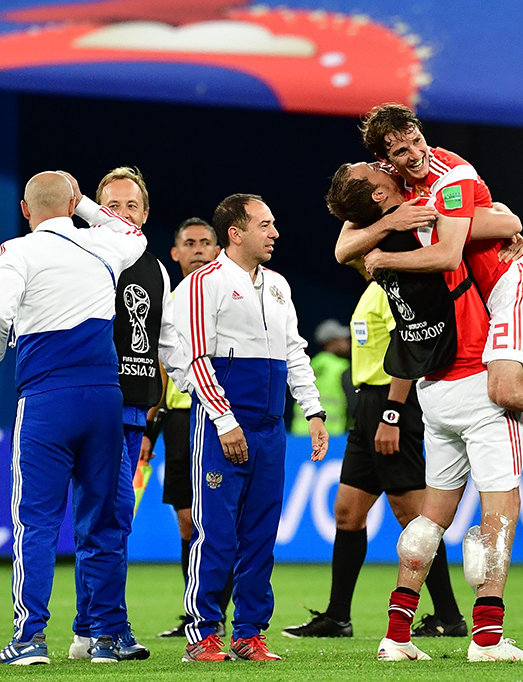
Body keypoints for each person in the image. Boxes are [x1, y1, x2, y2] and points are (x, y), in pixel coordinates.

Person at [334, 104, 523, 461]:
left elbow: (478, 239)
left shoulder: (449, 176)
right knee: (522, 425)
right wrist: (391, 223)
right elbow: (343, 249)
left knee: (505, 392)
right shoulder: (392, 183)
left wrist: (386, 256)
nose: (415, 154)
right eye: (401, 151)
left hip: (506, 283)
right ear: (385, 158)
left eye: (418, 141)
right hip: (477, 302)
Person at [0, 171, 146, 664]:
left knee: (37, 521)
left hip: (48, 399)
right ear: (74, 202)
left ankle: (29, 638)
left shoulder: (18, 250)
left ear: (26, 211)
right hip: (105, 397)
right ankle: (110, 636)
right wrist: (84, 206)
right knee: (104, 518)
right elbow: (133, 234)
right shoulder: (104, 245)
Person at [173, 193, 329, 663]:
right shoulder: (202, 285)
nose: (275, 233)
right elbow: (194, 359)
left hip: (270, 428)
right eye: (265, 224)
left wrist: (314, 411)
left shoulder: (279, 285)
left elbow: (295, 351)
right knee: (217, 533)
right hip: (223, 427)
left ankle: (249, 633)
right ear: (236, 233)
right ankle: (202, 634)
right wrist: (224, 420)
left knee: (261, 534)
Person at [282, 263, 465, 640]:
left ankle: (449, 616)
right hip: (369, 406)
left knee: (415, 517)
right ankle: (337, 617)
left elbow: (410, 350)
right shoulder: (374, 290)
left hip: (391, 404)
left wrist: (393, 413)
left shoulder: (396, 290)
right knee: (347, 512)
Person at [68, 167, 188, 662]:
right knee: (110, 519)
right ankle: (106, 632)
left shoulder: (156, 270)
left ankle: (84, 629)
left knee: (100, 519)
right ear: (95, 211)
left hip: (134, 411)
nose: (121, 215)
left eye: (131, 207)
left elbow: (167, 346)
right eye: (111, 206)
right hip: (87, 405)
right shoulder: (76, 259)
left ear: (145, 214)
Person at [145, 217, 231, 640]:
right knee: (186, 522)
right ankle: (196, 614)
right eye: (189, 243)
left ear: (217, 250)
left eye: (205, 242)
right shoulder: (166, 299)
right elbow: (160, 368)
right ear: (175, 252)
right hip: (179, 419)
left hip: (218, 414)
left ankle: (217, 614)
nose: (198, 249)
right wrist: (151, 427)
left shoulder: (225, 292)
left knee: (216, 519)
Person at [290, 319, 351, 436]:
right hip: (331, 435)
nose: (346, 342)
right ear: (330, 343)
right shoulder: (341, 367)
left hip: (299, 433)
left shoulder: (310, 365)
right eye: (342, 339)